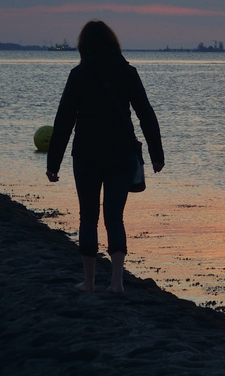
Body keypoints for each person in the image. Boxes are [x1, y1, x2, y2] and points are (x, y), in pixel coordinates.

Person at [46, 21, 163, 295]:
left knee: (88, 216)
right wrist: (157, 154)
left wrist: (53, 163)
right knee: (115, 216)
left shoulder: (79, 75)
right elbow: (146, 113)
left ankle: (89, 282)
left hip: (86, 153)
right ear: (114, 44)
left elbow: (63, 120)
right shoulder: (128, 73)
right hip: (120, 153)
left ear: (83, 46)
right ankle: (117, 283)